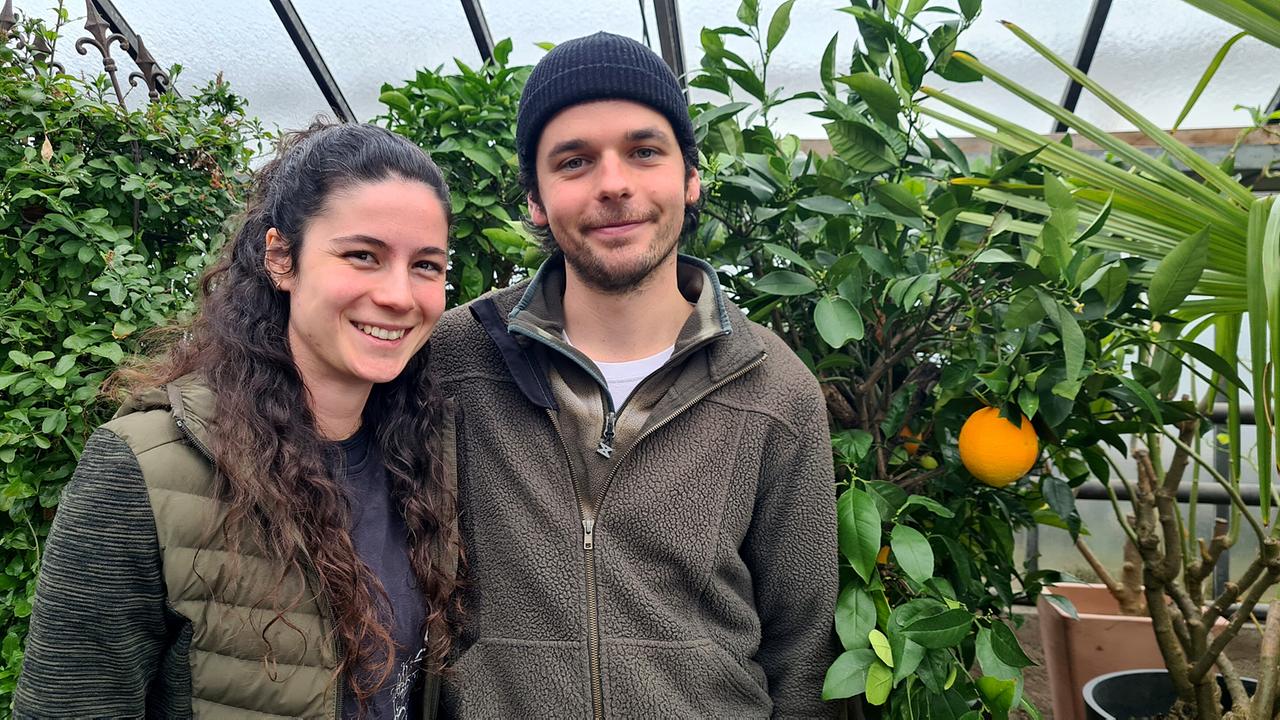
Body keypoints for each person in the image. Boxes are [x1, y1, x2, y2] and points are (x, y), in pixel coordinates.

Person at [430, 32, 839, 718]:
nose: (614, 183)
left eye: (644, 151)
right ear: (535, 198)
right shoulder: (458, 357)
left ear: (690, 178)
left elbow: (803, 651)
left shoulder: (775, 388)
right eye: (575, 161)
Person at [14, 122, 461, 719]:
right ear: (281, 257)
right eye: (363, 256)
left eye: (427, 266)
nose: (400, 295)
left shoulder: (425, 457)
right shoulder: (148, 468)